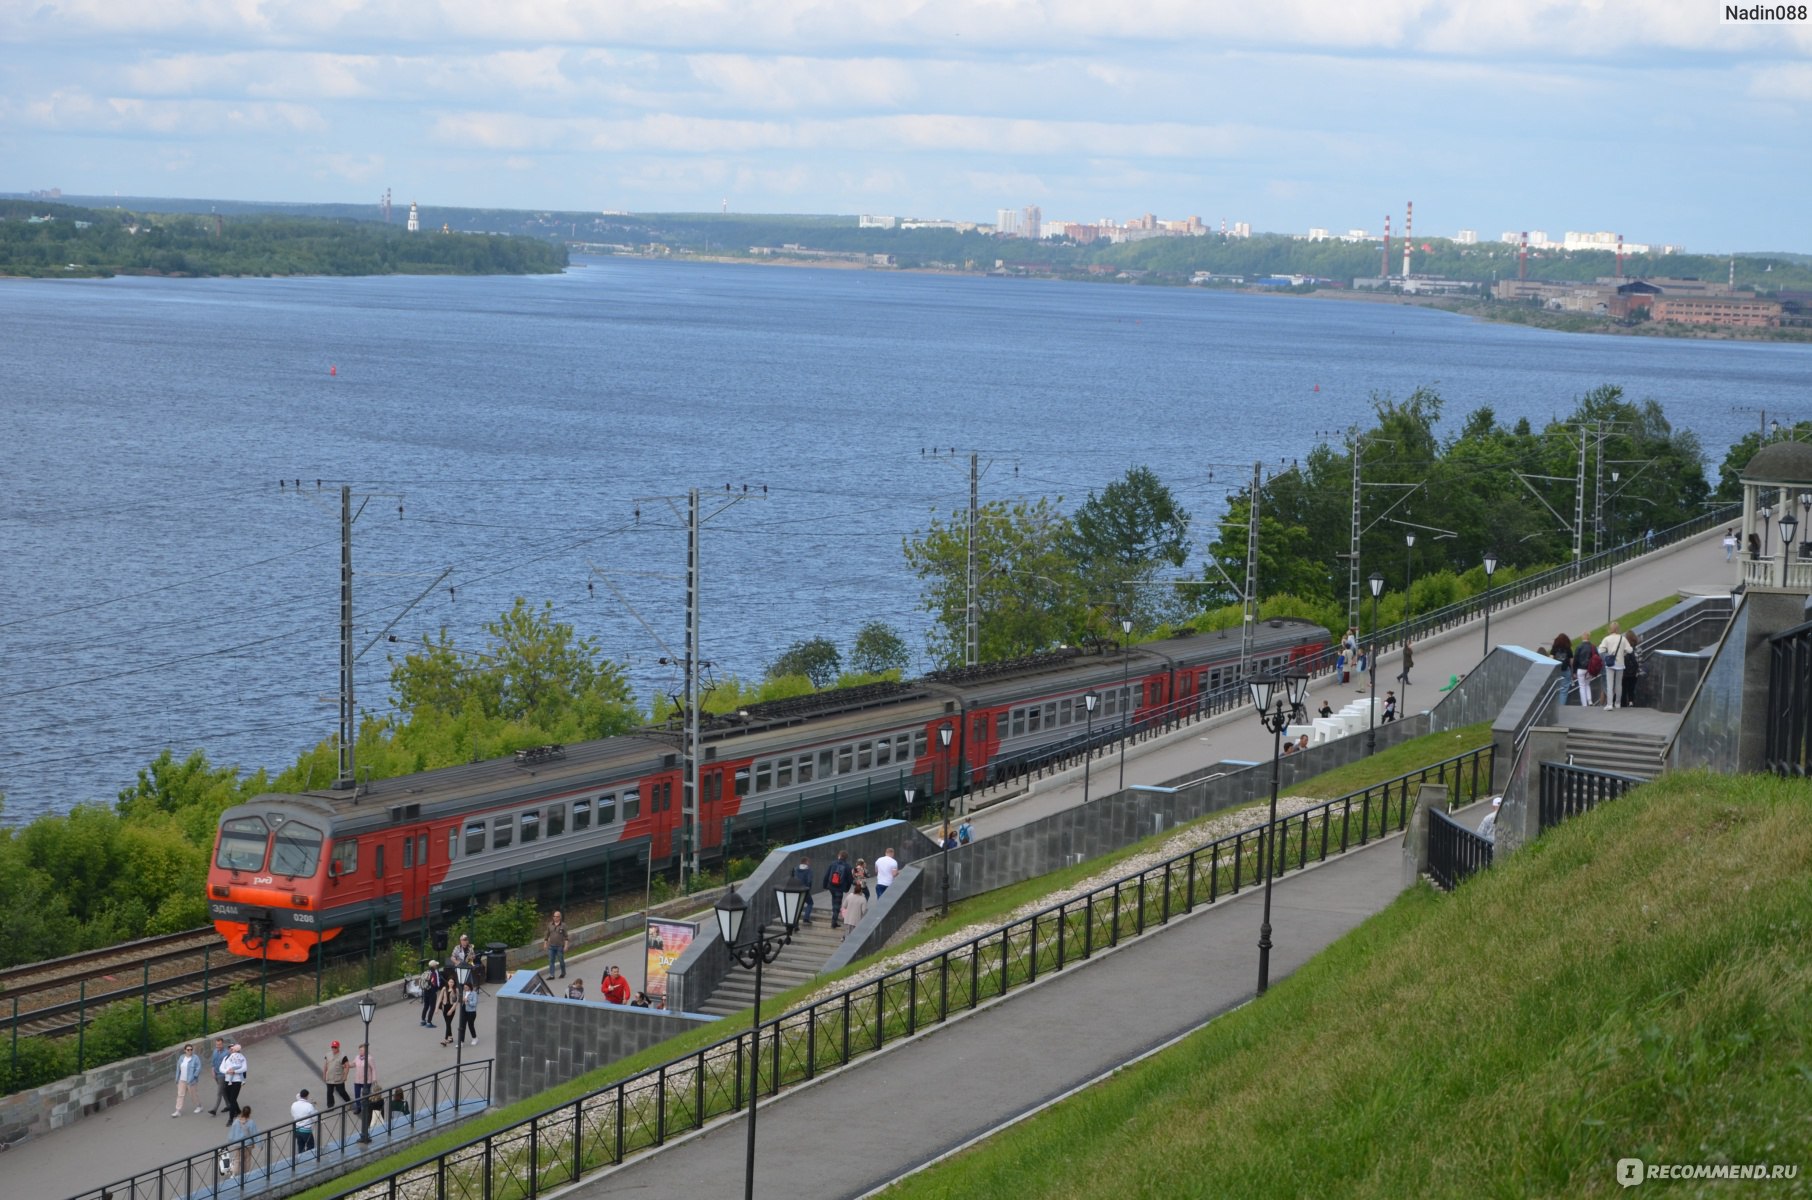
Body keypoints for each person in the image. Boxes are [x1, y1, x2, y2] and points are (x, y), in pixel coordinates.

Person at [1599, 622, 1635, 709]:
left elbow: (1600, 650)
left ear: (1610, 629)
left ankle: (1609, 704)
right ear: (1618, 629)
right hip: (1620, 663)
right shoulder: (1623, 639)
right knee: (1618, 684)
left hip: (1610, 663)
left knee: (1609, 684)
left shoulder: (1606, 639)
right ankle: (1617, 703)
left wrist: (1607, 655)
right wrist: (1623, 652)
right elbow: (1630, 650)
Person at [221, 1042, 248, 1128]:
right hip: (227, 1080)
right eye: (230, 1048)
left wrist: (234, 1071)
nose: (231, 1049)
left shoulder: (241, 1057)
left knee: (232, 1100)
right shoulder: (226, 1058)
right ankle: (238, 1111)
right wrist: (227, 1071)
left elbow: (244, 1068)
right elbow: (221, 1068)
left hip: (237, 1081)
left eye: (232, 1048)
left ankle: (231, 1119)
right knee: (230, 1099)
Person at [228, 1106, 259, 1180]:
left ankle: (234, 1174)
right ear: (249, 1113)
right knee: (247, 1159)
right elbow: (254, 1133)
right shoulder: (251, 1122)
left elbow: (232, 1132)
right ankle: (246, 1173)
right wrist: (258, 1144)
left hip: (238, 1144)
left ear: (241, 1112)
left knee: (237, 1159)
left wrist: (231, 1141)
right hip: (248, 1144)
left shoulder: (236, 1121)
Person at [824, 851, 853, 929]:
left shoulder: (833, 863)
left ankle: (834, 918)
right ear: (846, 857)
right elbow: (850, 879)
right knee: (837, 905)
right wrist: (847, 888)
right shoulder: (847, 866)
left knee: (834, 902)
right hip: (839, 888)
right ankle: (834, 922)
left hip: (831, 887)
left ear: (839, 856)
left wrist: (825, 886)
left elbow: (827, 875)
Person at [173, 1043, 202, 1117]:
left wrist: (194, 1076)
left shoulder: (195, 1058)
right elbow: (178, 1068)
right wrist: (177, 1078)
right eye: (188, 1050)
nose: (190, 1051)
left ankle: (199, 1106)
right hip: (182, 1080)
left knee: (193, 1095)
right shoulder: (181, 1057)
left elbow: (198, 1068)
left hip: (191, 1081)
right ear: (185, 1050)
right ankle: (178, 1111)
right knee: (180, 1095)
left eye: (191, 1049)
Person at [322, 1040, 350, 1107]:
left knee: (341, 1091)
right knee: (329, 1092)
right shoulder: (328, 1055)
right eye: (333, 1047)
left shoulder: (343, 1056)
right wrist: (324, 1074)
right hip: (329, 1077)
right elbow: (325, 1065)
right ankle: (330, 1106)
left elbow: (347, 1066)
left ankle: (348, 1102)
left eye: (335, 1047)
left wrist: (345, 1076)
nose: (334, 1049)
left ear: (338, 1047)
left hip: (338, 1078)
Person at [290, 1089, 318, 1155]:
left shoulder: (294, 1104)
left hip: (297, 1129)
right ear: (307, 1096)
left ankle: (301, 1159)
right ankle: (308, 1159)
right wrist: (314, 1107)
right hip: (306, 1130)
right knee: (310, 1146)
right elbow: (315, 1117)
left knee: (300, 1146)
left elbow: (292, 1114)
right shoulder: (309, 1106)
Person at [208, 1037, 231, 1116]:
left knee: (219, 1092)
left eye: (219, 1044)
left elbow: (229, 1064)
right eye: (217, 1044)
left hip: (222, 1075)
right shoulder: (215, 1051)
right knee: (223, 1090)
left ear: (222, 1044)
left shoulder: (227, 1053)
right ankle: (229, 1105)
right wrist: (212, 1070)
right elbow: (213, 1062)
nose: (218, 1046)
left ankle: (214, 1109)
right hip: (216, 1074)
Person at [544, 911, 570, 979]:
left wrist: (566, 945)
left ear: (560, 917)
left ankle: (563, 973)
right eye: (554, 916)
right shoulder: (550, 925)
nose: (555, 918)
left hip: (559, 946)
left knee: (561, 960)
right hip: (551, 946)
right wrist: (545, 943)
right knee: (551, 961)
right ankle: (552, 975)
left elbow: (566, 936)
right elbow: (547, 935)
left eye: (557, 916)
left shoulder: (563, 925)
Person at [1573, 634, 1597, 706]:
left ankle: (1584, 704)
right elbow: (1597, 657)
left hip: (1580, 669)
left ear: (1582, 638)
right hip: (1589, 669)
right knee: (1587, 684)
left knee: (1582, 686)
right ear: (1589, 637)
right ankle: (1590, 701)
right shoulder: (1593, 647)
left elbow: (1575, 660)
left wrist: (1574, 671)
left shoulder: (1579, 647)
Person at [791, 855, 815, 925]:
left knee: (798, 905)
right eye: (808, 862)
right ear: (806, 862)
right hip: (805, 890)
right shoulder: (808, 870)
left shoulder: (795, 869)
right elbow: (809, 881)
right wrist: (808, 888)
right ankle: (806, 918)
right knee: (810, 903)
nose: (809, 863)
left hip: (796, 889)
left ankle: (795, 921)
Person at [418, 960, 443, 1027]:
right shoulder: (435, 972)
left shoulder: (426, 972)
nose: (437, 966)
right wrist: (437, 989)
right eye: (436, 965)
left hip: (426, 990)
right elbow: (437, 983)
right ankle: (429, 1022)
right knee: (432, 1007)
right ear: (434, 966)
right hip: (432, 991)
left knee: (426, 1006)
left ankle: (423, 1020)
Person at [1550, 633, 1574, 703]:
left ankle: (1556, 705)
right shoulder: (1568, 648)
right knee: (1564, 690)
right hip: (1566, 670)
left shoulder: (1554, 648)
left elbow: (1550, 658)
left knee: (1556, 689)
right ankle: (1561, 706)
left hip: (1556, 670)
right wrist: (1572, 672)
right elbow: (1571, 662)